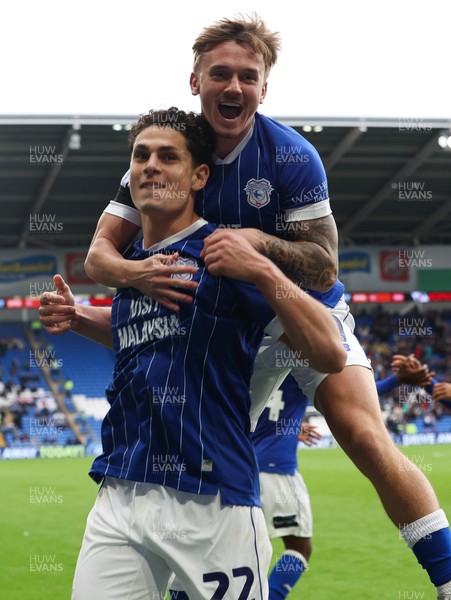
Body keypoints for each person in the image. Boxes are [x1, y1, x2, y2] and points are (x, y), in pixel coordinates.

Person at [81, 15, 451, 598]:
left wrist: (257, 245)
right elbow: (98, 255)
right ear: (195, 80)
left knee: (361, 432)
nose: (233, 87)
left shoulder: (291, 157)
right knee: (200, 459)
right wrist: (139, 274)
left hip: (301, 314)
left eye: (247, 77)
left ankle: (448, 576)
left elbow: (326, 265)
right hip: (230, 329)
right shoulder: (168, 151)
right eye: (220, 74)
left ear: (264, 88)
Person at [40, 108, 345, 600]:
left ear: (199, 175)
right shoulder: (133, 266)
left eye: (168, 157)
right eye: (141, 156)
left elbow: (329, 351)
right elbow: (139, 333)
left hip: (212, 500)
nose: (150, 167)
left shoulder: (223, 256)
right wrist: (78, 316)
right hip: (122, 490)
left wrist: (266, 273)